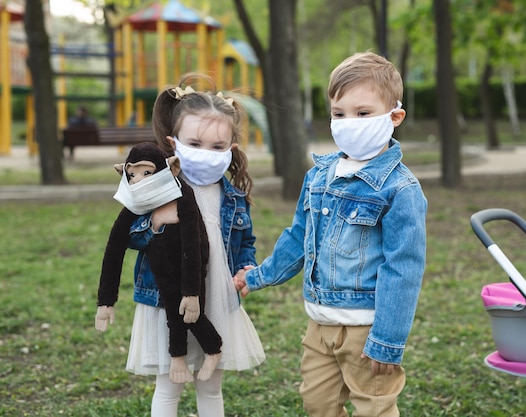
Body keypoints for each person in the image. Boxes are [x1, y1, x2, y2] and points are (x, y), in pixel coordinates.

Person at [234, 51, 428, 417]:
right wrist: (257, 276)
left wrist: (387, 339)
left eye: (363, 113)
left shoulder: (401, 190)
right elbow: (297, 238)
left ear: (394, 117)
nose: (347, 122)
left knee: (374, 408)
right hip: (319, 322)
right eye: (339, 113)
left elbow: (403, 269)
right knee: (317, 404)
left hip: (366, 327)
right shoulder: (318, 177)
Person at [121, 74, 265, 417]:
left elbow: (244, 242)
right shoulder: (159, 190)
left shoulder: (233, 196)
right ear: (175, 142)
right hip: (168, 299)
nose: (206, 154)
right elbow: (131, 237)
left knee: (210, 385)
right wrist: (155, 223)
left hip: (216, 295)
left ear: (230, 148)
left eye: (217, 148)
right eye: (195, 144)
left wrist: (246, 267)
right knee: (170, 384)